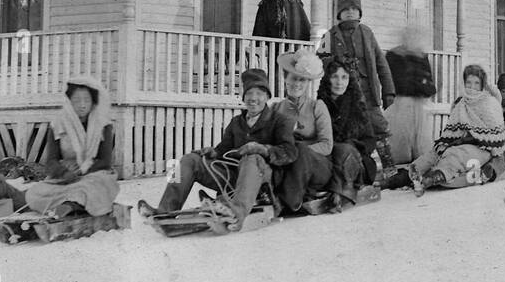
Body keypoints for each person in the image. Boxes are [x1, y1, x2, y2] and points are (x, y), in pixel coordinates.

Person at [139, 69, 297, 228]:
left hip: (263, 180)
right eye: (249, 93)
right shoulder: (237, 122)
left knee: (252, 157)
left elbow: (290, 152)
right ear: (243, 97)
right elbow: (223, 150)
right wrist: (214, 152)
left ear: (267, 97)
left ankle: (235, 213)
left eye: (260, 93)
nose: (254, 98)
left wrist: (262, 149)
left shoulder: (279, 121)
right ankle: (165, 210)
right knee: (189, 160)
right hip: (234, 177)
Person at [21, 76, 120, 218]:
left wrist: (84, 170)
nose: (82, 105)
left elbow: (105, 161)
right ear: (69, 101)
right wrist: (63, 173)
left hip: (95, 175)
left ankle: (71, 206)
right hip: (66, 177)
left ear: (93, 101)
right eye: (77, 100)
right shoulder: (58, 124)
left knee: (93, 186)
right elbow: (51, 161)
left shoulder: (103, 125)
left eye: (86, 100)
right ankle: (72, 205)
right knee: (35, 192)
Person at [317, 0, 396, 168]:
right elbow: (320, 60)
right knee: (348, 131)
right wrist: (336, 63)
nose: (350, 12)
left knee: (380, 128)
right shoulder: (329, 35)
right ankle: (354, 169)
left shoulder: (367, 33)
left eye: (354, 9)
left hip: (368, 92)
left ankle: (390, 169)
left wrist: (388, 91)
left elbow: (381, 63)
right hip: (344, 94)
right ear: (339, 13)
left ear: (360, 12)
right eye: (346, 9)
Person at [405, 65, 505, 195]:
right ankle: (413, 173)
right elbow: (453, 128)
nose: (472, 87)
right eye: (469, 82)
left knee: (455, 155)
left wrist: (465, 139)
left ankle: (433, 178)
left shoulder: (490, 103)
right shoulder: (461, 103)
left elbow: (494, 134)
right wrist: (451, 141)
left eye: (476, 83)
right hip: (459, 142)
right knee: (435, 152)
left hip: (482, 147)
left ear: (482, 85)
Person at [274, 49, 333, 215]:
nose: (297, 84)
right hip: (287, 166)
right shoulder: (276, 109)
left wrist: (298, 152)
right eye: (293, 78)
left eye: (302, 80)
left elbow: (327, 145)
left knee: (298, 149)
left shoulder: (317, 107)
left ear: (308, 83)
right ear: (285, 79)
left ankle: (288, 201)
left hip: (317, 168)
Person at [318, 58, 377, 211]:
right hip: (329, 158)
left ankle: (340, 194)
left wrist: (352, 145)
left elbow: (370, 141)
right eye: (335, 77)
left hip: (355, 162)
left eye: (344, 77)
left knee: (343, 149)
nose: (339, 82)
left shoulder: (357, 105)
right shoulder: (320, 104)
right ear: (327, 79)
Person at [385, 26, 437, 165]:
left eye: (416, 35)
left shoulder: (422, 56)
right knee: (401, 145)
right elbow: (395, 82)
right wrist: (419, 83)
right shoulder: (394, 55)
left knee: (421, 146)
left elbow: (430, 87)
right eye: (409, 35)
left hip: (419, 105)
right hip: (401, 104)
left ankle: (419, 172)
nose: (412, 38)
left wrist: (421, 85)